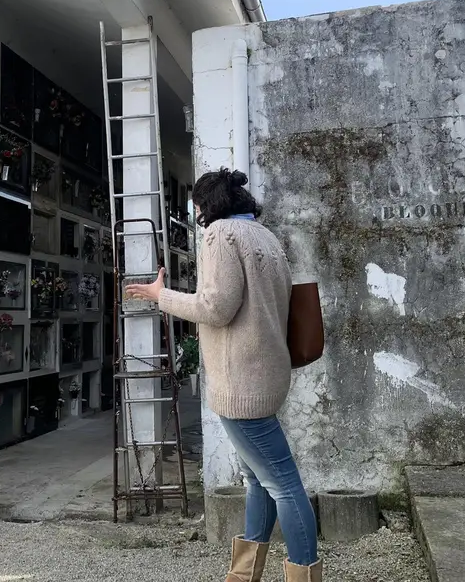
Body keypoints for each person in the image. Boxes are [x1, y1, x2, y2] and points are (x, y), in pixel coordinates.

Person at [126, 168, 320, 582]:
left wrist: (162, 296)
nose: (197, 215)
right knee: (258, 479)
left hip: (241, 381)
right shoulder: (265, 237)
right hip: (268, 374)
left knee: (283, 484)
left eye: (196, 207)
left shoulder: (220, 236)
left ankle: (303, 575)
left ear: (206, 206)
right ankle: (243, 575)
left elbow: (216, 307)